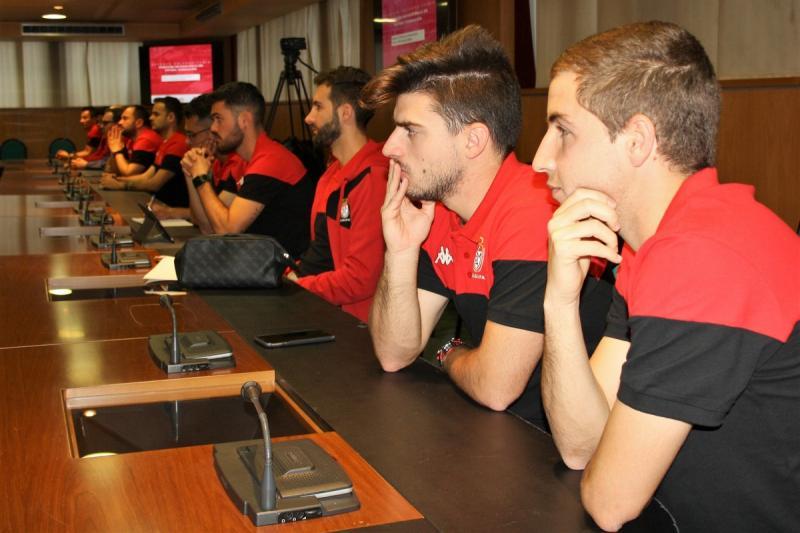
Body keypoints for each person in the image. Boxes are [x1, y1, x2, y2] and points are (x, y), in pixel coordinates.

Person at [534, 21, 800, 531]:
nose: (541, 159)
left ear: (637, 141)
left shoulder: (703, 256)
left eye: (563, 131)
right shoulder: (656, 247)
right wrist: (560, 303)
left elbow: (609, 503)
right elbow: (580, 446)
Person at [361, 25, 612, 428]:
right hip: (502, 430)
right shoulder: (438, 209)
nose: (389, 147)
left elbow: (497, 387)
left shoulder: (533, 211)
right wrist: (401, 251)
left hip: (558, 440)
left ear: (473, 141)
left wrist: (448, 352)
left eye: (410, 130)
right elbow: (393, 353)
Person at [283, 66, 388, 322]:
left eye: (318, 107)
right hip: (324, 309)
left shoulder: (374, 178)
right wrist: (288, 277)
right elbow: (322, 254)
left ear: (345, 113)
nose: (308, 118)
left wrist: (296, 287)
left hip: (358, 325)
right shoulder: (331, 174)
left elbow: (360, 279)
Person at [182, 82, 314, 256]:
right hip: (259, 264)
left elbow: (226, 231)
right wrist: (191, 173)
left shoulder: (270, 161)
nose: (213, 128)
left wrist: (201, 178)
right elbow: (208, 228)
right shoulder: (247, 161)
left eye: (218, 119)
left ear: (244, 120)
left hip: (285, 269)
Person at [158, 93, 245, 230]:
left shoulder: (239, 162)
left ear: (212, 131)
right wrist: (189, 172)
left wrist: (199, 176)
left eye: (192, 135)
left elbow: (208, 225)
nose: (187, 141)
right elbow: (197, 219)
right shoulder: (214, 162)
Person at [101, 97, 189, 207]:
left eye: (156, 114)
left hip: (171, 209)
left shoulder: (178, 143)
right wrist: (117, 180)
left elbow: (155, 184)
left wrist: (121, 185)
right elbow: (145, 176)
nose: (151, 118)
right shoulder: (165, 143)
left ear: (170, 117)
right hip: (158, 205)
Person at [105, 105, 162, 176]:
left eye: (125, 118)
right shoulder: (131, 140)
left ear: (139, 123)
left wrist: (117, 152)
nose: (119, 122)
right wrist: (113, 149)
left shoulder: (146, 139)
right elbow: (117, 171)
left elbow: (129, 173)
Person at [72, 106, 121, 170]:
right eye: (102, 122)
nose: (101, 126)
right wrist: (83, 161)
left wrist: (86, 163)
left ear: (118, 123)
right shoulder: (106, 136)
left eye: (105, 123)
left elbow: (107, 162)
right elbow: (101, 156)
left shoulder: (96, 130)